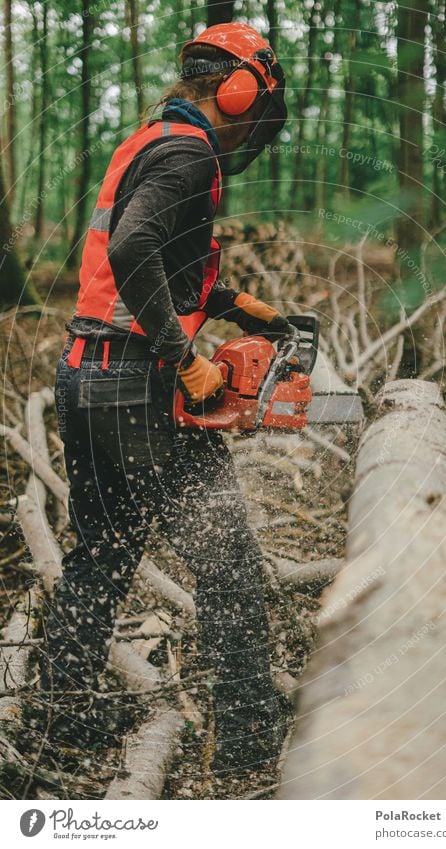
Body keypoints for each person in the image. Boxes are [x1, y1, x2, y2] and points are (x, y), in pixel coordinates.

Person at [40, 22, 291, 777]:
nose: (252, 123)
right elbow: (130, 250)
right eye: (254, 107)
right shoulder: (187, 151)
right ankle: (250, 745)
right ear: (235, 88)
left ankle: (64, 719)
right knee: (229, 566)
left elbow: (148, 259)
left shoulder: (154, 137)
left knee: (101, 557)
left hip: (87, 375)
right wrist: (186, 362)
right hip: (138, 385)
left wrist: (231, 303)